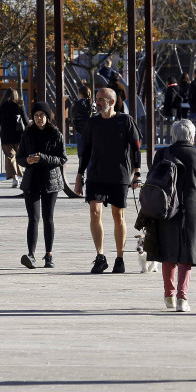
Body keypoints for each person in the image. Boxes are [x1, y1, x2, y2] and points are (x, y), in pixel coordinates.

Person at [74, 87, 142, 274]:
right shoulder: (92, 123)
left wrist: (137, 173)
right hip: (96, 175)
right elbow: (86, 151)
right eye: (96, 99)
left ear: (111, 102)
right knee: (94, 213)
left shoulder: (125, 121)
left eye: (101, 99)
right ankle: (100, 256)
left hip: (119, 176)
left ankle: (119, 257)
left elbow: (136, 148)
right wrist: (79, 176)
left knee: (118, 216)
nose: (97, 102)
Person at [153, 119, 196, 312]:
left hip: (165, 209)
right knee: (187, 254)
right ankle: (182, 298)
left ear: (173, 135)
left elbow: (153, 180)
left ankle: (168, 295)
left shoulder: (162, 153)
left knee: (167, 253)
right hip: (191, 209)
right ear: (191, 135)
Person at [17, 101, 68, 269]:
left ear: (48, 117)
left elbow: (62, 158)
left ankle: (48, 255)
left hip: (50, 181)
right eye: (36, 116)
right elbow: (19, 158)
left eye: (42, 115)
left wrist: (44, 158)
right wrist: (28, 160)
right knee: (33, 218)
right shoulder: (27, 134)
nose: (39, 118)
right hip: (31, 180)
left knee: (48, 219)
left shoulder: (56, 134)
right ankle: (30, 254)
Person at [0, 89, 28, 188]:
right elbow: (25, 119)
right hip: (18, 135)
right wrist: (28, 131)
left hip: (6, 136)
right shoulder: (19, 105)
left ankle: (15, 178)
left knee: (10, 157)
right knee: (21, 155)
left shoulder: (1, 107)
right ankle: (25, 175)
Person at [68, 85, 94, 156]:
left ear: (80, 94)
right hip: (91, 132)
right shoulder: (92, 104)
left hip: (79, 131)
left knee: (81, 154)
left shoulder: (76, 104)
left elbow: (72, 116)